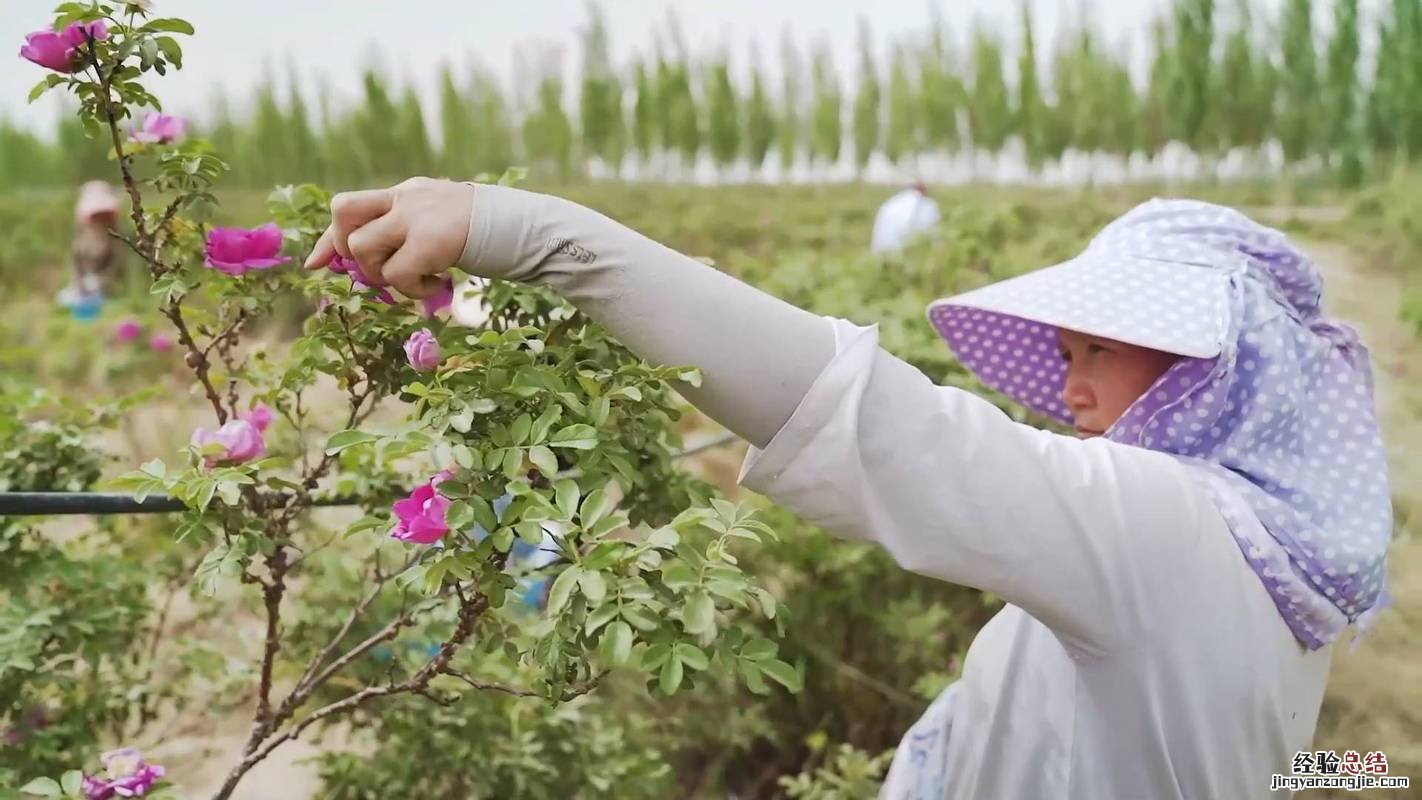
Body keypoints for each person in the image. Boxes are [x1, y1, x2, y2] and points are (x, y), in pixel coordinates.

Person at [305, 179, 1393, 800]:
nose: (1070, 385)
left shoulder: (1162, 528)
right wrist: (1372, 773)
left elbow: (865, 411)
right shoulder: (1295, 553)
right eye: (1066, 348)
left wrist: (529, 233)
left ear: (1225, 359)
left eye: (1102, 345)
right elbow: (1287, 760)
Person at [58, 181, 123, 318]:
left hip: (105, 287)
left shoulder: (114, 238)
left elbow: (116, 266)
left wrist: (102, 281)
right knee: (65, 299)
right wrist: (79, 284)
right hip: (83, 286)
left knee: (107, 303)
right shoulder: (80, 238)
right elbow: (75, 264)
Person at [870, 181, 941, 254]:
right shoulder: (928, 206)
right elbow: (934, 233)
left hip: (884, 252)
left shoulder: (892, 204)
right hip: (908, 251)